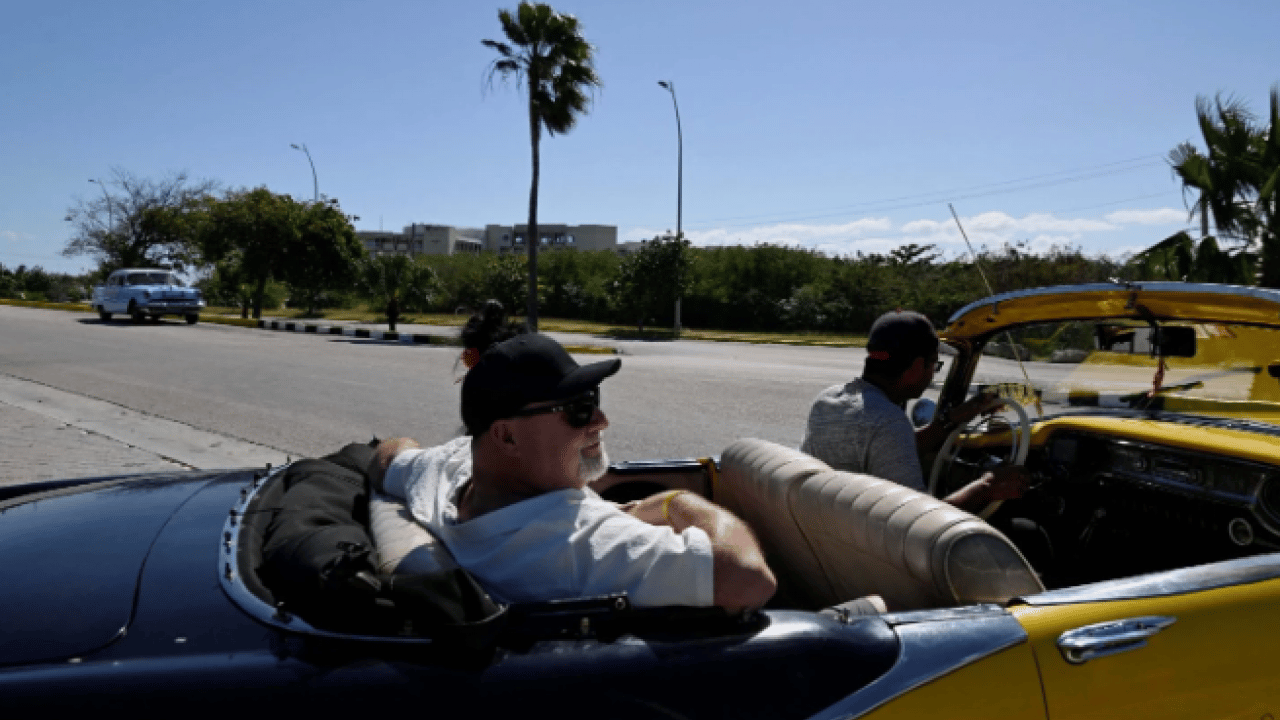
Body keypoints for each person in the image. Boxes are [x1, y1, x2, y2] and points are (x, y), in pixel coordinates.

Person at [370, 325, 776, 614]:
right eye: (578, 409)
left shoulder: (446, 470)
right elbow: (747, 580)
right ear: (506, 437)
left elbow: (388, 455)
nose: (600, 420)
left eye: (593, 398)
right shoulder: (576, 545)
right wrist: (681, 504)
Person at [800, 309, 1028, 514]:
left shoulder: (827, 400)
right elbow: (920, 521)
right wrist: (987, 486)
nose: (932, 374)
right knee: (1027, 533)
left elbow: (886, 450)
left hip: (828, 528)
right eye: (934, 365)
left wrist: (952, 420)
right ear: (918, 367)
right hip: (870, 549)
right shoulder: (888, 422)